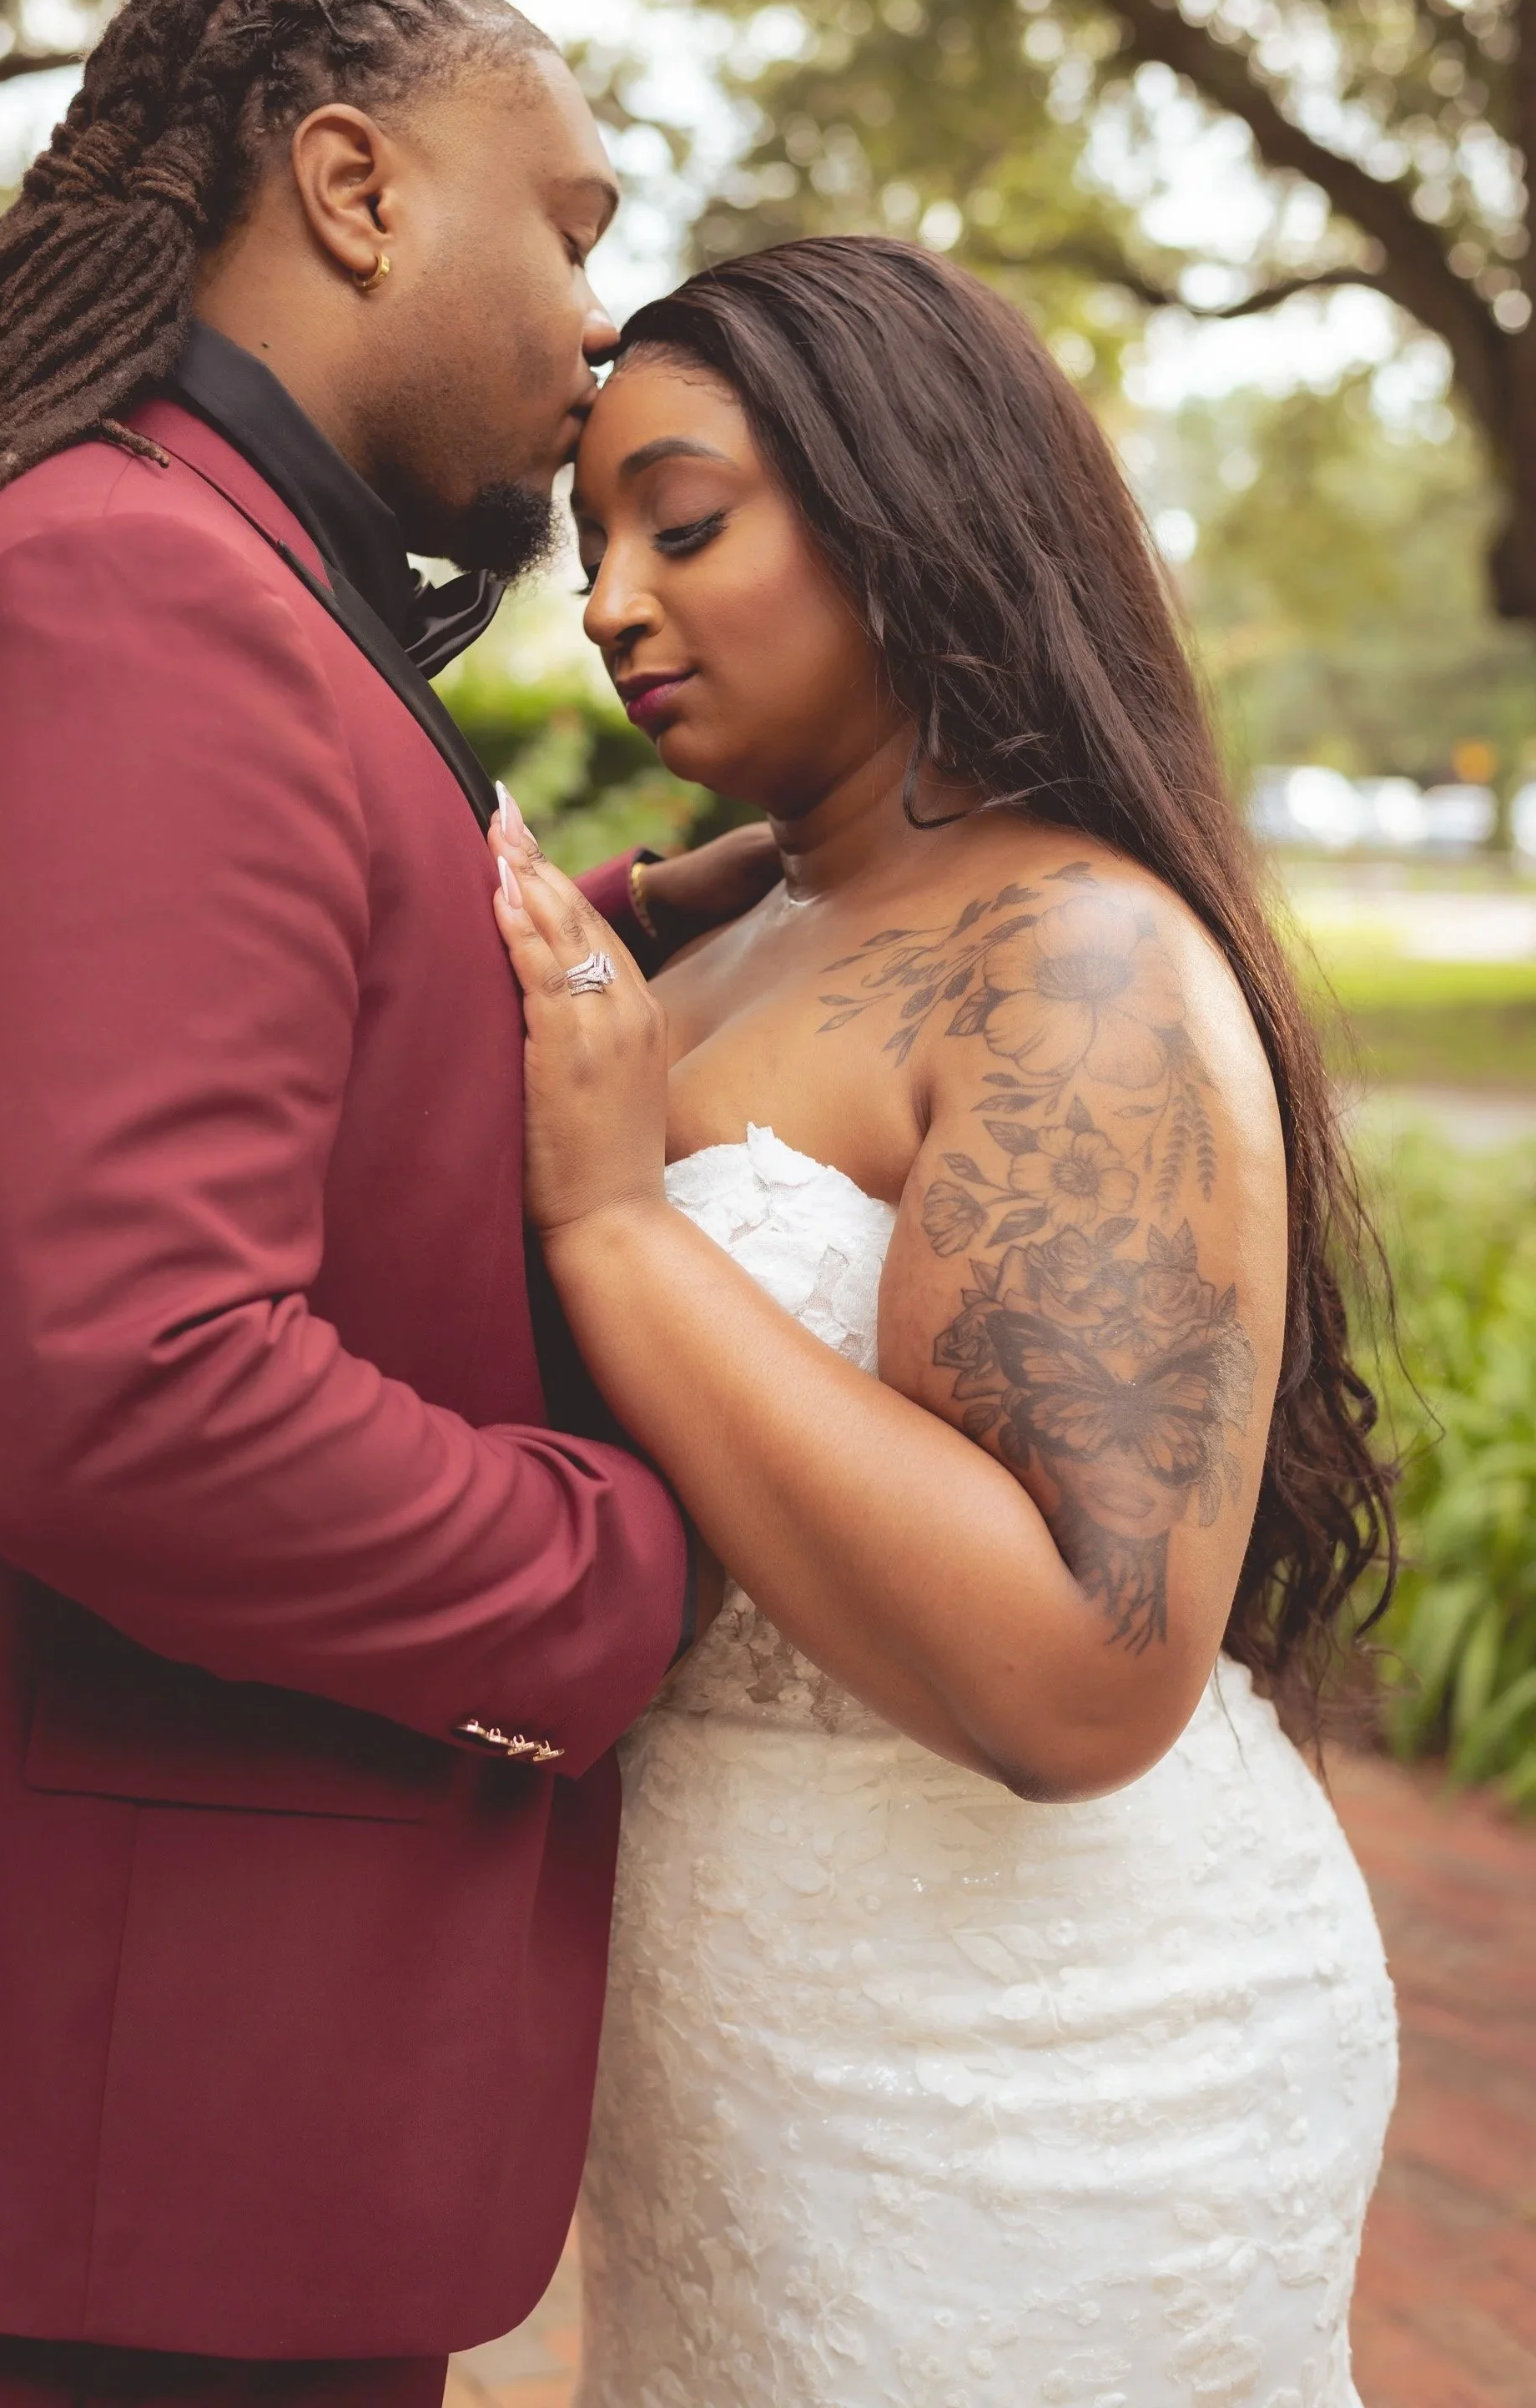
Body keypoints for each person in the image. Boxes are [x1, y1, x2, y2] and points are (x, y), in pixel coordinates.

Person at [0, 0, 772, 2408]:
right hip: (88, 2190)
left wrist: (768, 883)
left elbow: (328, 1011)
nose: (597, 320)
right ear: (351, 185)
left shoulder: (204, 570)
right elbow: (124, 1382)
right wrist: (624, 1581)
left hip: (171, 2146)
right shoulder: (125, 596)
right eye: (565, 227)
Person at [486, 234, 1401, 2407]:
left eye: (683, 525)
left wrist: (618, 1228)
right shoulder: (734, 930)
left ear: (905, 513)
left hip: (1040, 2084)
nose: (611, 602)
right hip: (732, 2090)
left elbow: (1085, 1666)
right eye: (592, 540)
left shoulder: (1070, 955)